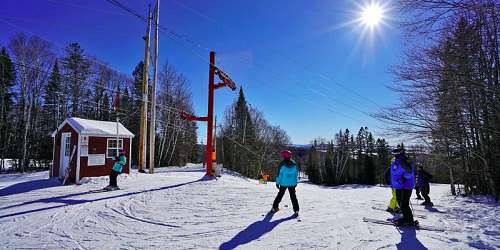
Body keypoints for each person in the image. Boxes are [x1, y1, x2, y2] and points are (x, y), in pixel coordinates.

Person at [390, 145, 416, 226]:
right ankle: (405, 217)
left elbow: (409, 174)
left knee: (404, 204)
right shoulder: (396, 161)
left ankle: (409, 220)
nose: (394, 154)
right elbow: (394, 172)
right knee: (400, 203)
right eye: (394, 153)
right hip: (398, 186)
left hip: (406, 186)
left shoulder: (405, 161)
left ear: (400, 153)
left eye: (396, 153)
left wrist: (403, 179)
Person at [271, 150, 300, 217]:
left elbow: (279, 174)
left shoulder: (282, 164)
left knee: (280, 195)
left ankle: (274, 208)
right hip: (292, 183)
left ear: (284, 156)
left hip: (283, 183)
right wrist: (296, 182)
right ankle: (296, 210)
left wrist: (277, 183)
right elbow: (296, 174)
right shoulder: (294, 164)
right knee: (293, 197)